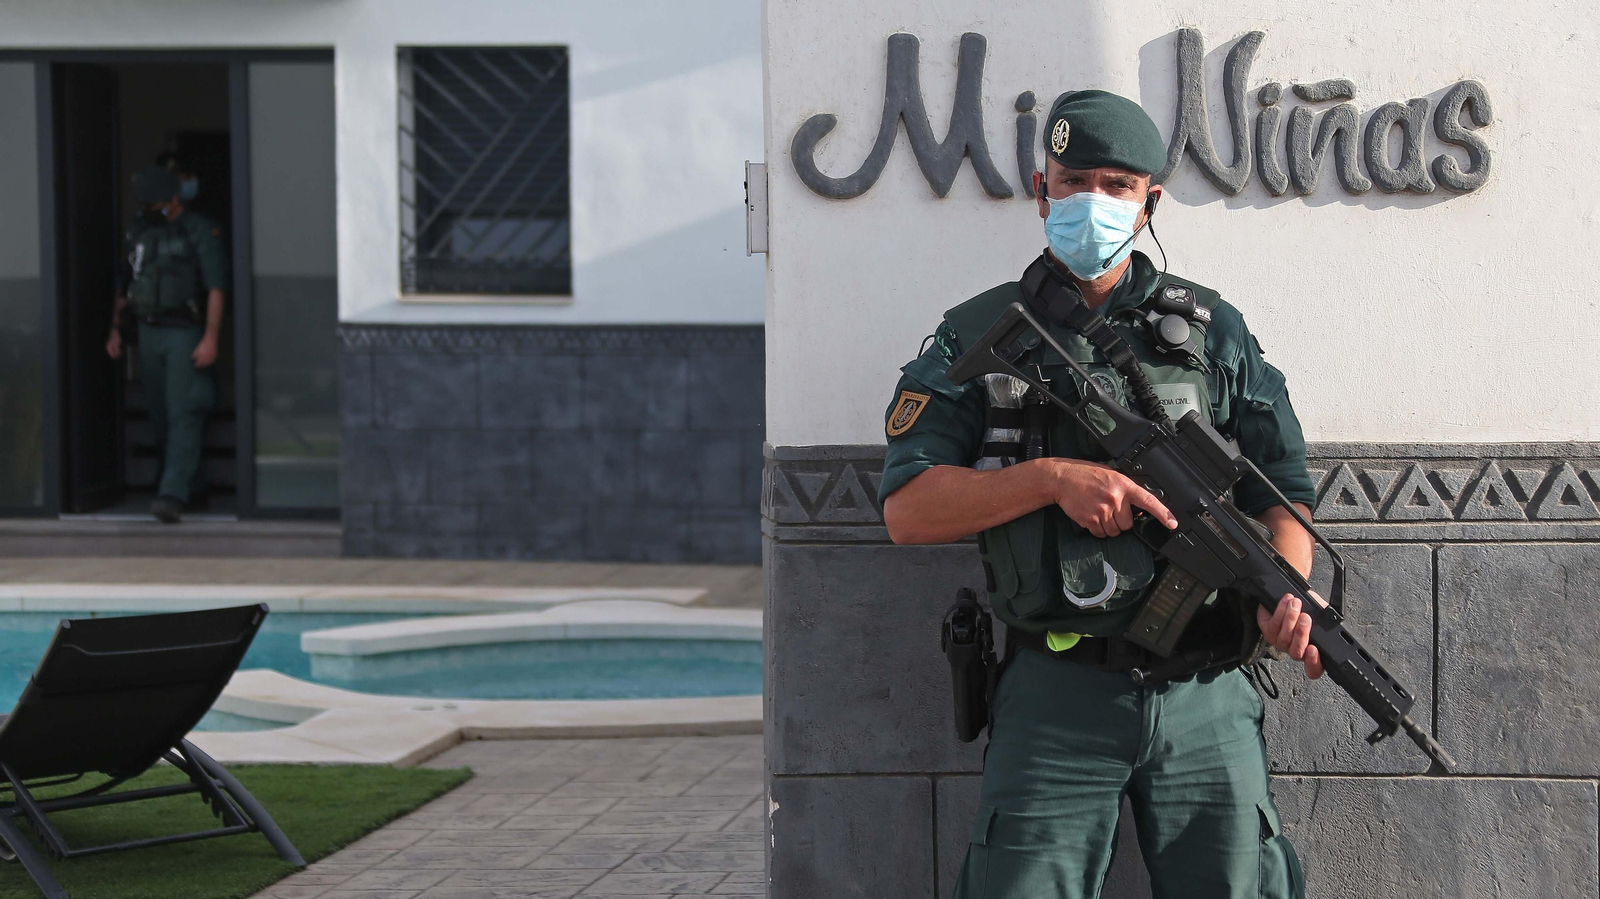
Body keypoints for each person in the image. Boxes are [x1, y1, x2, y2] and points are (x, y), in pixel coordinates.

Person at [879, 90, 1323, 898]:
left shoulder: (1213, 333)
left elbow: (1285, 494)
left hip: (1205, 700)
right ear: (1040, 190)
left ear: (1150, 201)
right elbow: (908, 509)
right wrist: (1050, 481)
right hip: (1056, 692)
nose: (1094, 201)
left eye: (1117, 186)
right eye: (1074, 181)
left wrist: (1285, 593)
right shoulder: (978, 331)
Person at [106, 165, 228, 524]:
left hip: (184, 331)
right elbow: (124, 284)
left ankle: (171, 494)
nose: (151, 209)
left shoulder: (200, 229)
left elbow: (217, 287)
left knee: (184, 410)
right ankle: (192, 486)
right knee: (160, 415)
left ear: (174, 199)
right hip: (148, 331)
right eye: (147, 204)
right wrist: (115, 329)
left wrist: (211, 337)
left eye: (157, 203)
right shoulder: (140, 232)